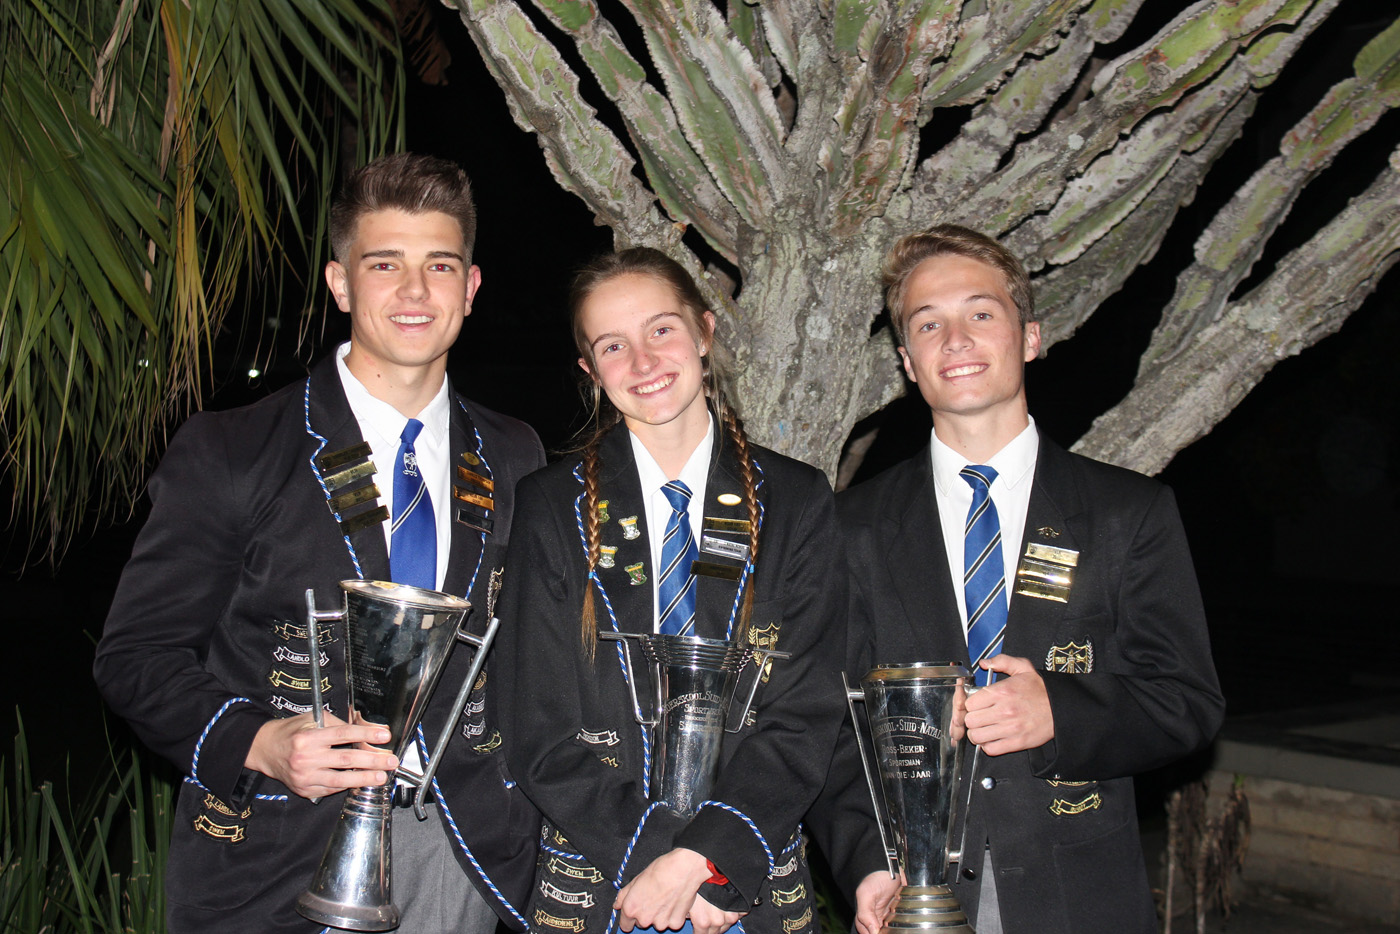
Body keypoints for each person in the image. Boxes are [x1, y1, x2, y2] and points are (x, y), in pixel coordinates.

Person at [93, 153, 545, 934]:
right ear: (341, 284)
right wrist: (261, 742)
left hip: (458, 849)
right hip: (278, 851)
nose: (415, 291)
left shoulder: (514, 454)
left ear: (470, 288)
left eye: (440, 265)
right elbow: (135, 657)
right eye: (384, 264)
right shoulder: (233, 449)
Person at [810, 225, 1225, 934]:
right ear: (908, 361)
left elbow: (1187, 700)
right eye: (928, 324)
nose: (956, 340)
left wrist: (1061, 711)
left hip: (1079, 897)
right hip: (915, 898)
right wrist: (869, 865)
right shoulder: (851, 527)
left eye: (981, 313)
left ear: (1029, 337)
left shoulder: (1128, 512)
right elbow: (826, 722)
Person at [492, 248, 846, 934]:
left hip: (747, 883)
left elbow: (808, 713)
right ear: (591, 372)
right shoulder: (551, 507)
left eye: (661, 329)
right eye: (613, 346)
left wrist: (708, 859)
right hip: (605, 881)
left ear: (705, 332)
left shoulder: (797, 500)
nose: (643, 361)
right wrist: (663, 859)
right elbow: (535, 728)